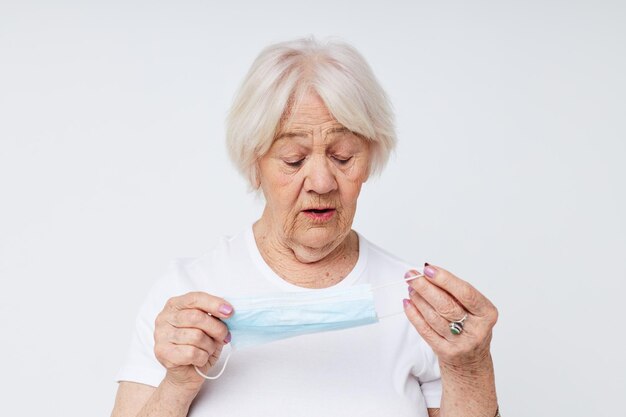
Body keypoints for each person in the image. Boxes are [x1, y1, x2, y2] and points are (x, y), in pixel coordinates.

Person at [110, 37, 499, 417]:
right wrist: (178, 383)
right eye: (294, 159)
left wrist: (471, 367)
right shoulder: (185, 297)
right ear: (254, 162)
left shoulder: (421, 308)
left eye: (343, 156)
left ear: (370, 159)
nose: (322, 182)